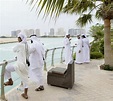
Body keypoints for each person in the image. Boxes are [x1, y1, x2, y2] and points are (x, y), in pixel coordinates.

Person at [4, 32, 29, 99]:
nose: (17, 39)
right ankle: (25, 94)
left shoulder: (20, 45)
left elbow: (14, 50)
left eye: (18, 38)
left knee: (6, 68)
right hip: (25, 65)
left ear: (20, 38)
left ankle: (10, 81)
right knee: (25, 78)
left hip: (19, 64)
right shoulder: (27, 45)